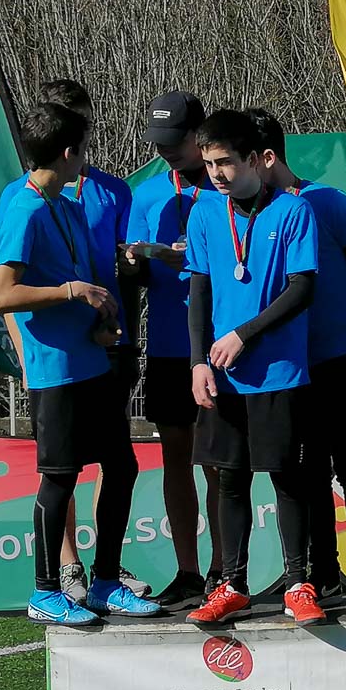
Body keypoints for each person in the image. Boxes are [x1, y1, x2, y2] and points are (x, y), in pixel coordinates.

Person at [0, 103, 160, 624]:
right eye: (83, 149)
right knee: (60, 478)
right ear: (68, 153)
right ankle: (45, 591)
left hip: (92, 360)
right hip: (54, 369)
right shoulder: (24, 209)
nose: (85, 158)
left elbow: (89, 279)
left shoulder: (67, 206)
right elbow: (1, 295)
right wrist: (70, 291)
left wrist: (101, 320)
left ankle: (106, 581)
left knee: (122, 466)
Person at [183, 109, 325, 627]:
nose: (217, 174)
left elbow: (302, 289)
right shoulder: (204, 212)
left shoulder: (293, 210)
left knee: (287, 477)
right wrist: (198, 361)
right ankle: (232, 584)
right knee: (229, 478)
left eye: (225, 163)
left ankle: (298, 582)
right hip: (222, 373)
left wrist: (244, 334)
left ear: (254, 159)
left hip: (279, 371)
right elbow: (199, 291)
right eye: (209, 164)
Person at [248, 107, 346, 616]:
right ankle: (320, 573)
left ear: (266, 158)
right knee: (305, 471)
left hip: (343, 355)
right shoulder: (251, 216)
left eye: (241, 159)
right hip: (289, 364)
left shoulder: (327, 202)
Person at [123, 91, 223, 608]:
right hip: (167, 344)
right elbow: (137, 274)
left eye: (175, 141)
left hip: (219, 344)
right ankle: (188, 571)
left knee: (219, 462)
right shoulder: (147, 195)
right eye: (158, 142)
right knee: (176, 457)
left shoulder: (226, 185)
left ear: (198, 135)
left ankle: (225, 569)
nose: (166, 151)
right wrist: (138, 261)